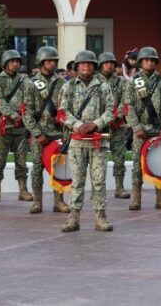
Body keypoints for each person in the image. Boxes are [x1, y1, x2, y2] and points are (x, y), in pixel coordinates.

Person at [59, 50, 114, 233]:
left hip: (98, 142)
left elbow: (111, 111)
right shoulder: (68, 87)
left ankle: (100, 217)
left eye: (89, 63)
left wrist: (95, 124)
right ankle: (73, 218)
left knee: (99, 181)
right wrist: (78, 125)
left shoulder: (104, 86)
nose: (86, 66)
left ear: (94, 66)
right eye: (82, 64)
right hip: (77, 142)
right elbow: (62, 111)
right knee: (77, 181)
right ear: (76, 66)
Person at [123, 46, 161, 211]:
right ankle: (136, 198)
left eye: (152, 60)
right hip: (140, 132)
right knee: (137, 165)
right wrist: (136, 127)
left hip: (159, 130)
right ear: (140, 62)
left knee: (160, 164)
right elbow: (128, 106)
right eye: (146, 60)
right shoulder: (133, 82)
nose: (149, 63)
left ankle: (160, 198)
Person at [23, 46, 69, 214]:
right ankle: (37, 201)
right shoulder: (30, 83)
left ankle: (59, 201)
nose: (52, 63)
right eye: (49, 61)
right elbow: (26, 112)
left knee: (60, 168)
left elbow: (66, 107)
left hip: (57, 133)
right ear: (41, 62)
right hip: (39, 133)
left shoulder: (62, 82)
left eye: (54, 61)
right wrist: (36, 133)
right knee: (37, 167)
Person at [0, 49, 32, 203]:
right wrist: (13, 116)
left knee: (21, 160)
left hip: (21, 127)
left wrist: (24, 117)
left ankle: (23, 189)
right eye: (12, 61)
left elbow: (30, 99)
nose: (15, 64)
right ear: (5, 63)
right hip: (4, 126)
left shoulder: (25, 81)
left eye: (17, 61)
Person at [97, 52, 131, 199]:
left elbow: (127, 101)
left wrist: (118, 116)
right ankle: (98, 188)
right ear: (100, 65)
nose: (110, 65)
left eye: (112, 63)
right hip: (100, 126)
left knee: (119, 157)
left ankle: (119, 187)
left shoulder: (122, 82)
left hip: (118, 125)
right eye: (106, 63)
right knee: (98, 159)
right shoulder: (94, 82)